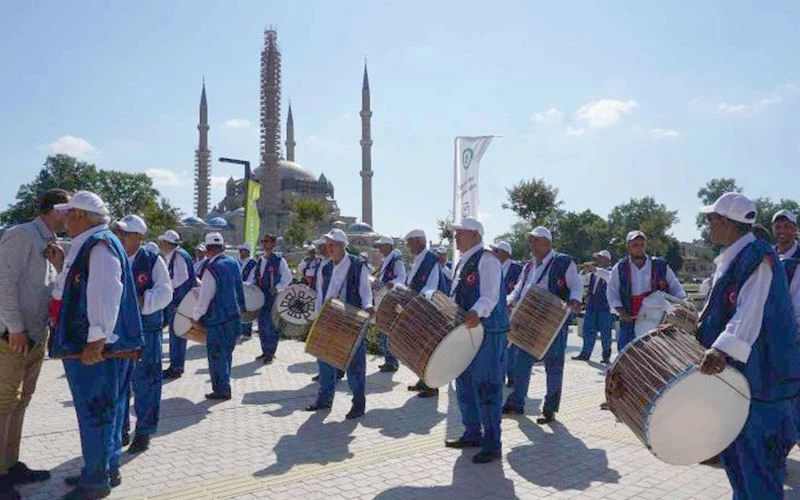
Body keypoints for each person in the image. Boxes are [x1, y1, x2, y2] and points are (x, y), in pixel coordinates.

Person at [696, 193, 800, 498]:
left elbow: (749, 312)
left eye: (711, 218)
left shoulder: (758, 256)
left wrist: (720, 349)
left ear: (728, 222)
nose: (708, 225)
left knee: (760, 472)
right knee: (739, 468)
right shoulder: (733, 257)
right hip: (742, 383)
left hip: (763, 385)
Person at [48, 191, 144, 499]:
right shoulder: (93, 243)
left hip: (95, 351)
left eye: (68, 214)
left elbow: (105, 295)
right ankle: (105, 468)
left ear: (80, 216)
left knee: (95, 414)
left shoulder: (99, 245)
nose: (64, 219)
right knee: (108, 411)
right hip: (97, 348)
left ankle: (95, 481)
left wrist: (96, 341)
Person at [0, 189, 69, 499]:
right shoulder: (22, 235)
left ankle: (10, 464)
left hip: (34, 336)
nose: (73, 215)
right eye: (68, 209)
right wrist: (14, 328)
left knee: (21, 401)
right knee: (3, 403)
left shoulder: (50, 242)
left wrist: (61, 263)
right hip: (13, 337)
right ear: (53, 209)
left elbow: (47, 288)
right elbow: (4, 283)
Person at [442, 217, 507, 464]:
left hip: (487, 333)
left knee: (487, 386)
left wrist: (476, 312)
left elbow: (490, 296)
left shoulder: (488, 259)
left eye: (460, 232)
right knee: (465, 384)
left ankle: (492, 444)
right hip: (466, 332)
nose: (456, 236)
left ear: (475, 235)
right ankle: (472, 433)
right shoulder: (463, 262)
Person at [502, 227, 582, 424]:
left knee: (554, 365)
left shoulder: (563, 262)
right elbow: (519, 289)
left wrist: (575, 300)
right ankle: (516, 402)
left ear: (547, 243)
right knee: (521, 362)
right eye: (530, 241)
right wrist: (508, 301)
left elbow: (577, 285)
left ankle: (550, 408)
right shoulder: (528, 266)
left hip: (553, 319)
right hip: (530, 318)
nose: (531, 244)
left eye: (535, 241)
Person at [112, 215, 173, 455]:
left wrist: (142, 301)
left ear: (138, 238)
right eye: (119, 233)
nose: (120, 237)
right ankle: (121, 429)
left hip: (146, 330)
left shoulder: (152, 260)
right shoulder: (112, 257)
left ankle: (144, 431)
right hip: (119, 332)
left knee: (146, 382)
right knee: (120, 384)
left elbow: (166, 292)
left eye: (125, 234)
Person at [305, 229, 374, 419]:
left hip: (351, 321)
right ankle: (324, 400)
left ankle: (358, 405)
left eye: (333, 244)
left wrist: (368, 306)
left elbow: (365, 291)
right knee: (324, 362)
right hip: (327, 320)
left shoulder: (357, 264)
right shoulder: (324, 267)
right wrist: (316, 318)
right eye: (327, 244)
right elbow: (320, 295)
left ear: (343, 245)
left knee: (355, 364)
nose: (329, 247)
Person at [606, 230, 686, 351]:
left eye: (642, 245)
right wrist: (621, 311)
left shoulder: (660, 265)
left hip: (657, 319)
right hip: (629, 319)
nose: (639, 248)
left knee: (656, 355)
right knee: (626, 354)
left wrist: (678, 306)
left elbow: (676, 287)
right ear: (628, 246)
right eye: (635, 245)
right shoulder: (620, 267)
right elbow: (612, 292)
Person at [188, 233, 245, 400]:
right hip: (234, 317)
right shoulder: (234, 263)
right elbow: (239, 289)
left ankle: (221, 389)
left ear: (207, 251)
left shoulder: (210, 269)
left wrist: (195, 317)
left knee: (216, 356)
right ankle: (225, 385)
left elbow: (205, 298)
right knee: (227, 354)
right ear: (224, 248)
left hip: (217, 320)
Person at [403, 229, 443, 397]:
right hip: (418, 308)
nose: (408, 246)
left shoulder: (430, 260)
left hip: (427, 311)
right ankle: (423, 379)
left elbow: (431, 287)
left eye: (410, 242)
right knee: (420, 349)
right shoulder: (418, 260)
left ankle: (432, 386)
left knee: (429, 349)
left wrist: (415, 297)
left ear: (420, 242)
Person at [160, 230, 197, 380]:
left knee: (177, 334)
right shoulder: (179, 254)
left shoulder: (178, 255)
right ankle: (176, 365)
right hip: (179, 300)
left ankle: (176, 367)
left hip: (179, 300)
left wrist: (167, 287)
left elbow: (182, 277)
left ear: (167, 243)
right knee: (177, 334)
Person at [490, 240, 524, 388]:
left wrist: (514, 304)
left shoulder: (517, 268)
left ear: (505, 253)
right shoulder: (493, 267)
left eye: (496, 251)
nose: (493, 253)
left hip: (512, 311)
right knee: (500, 345)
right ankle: (500, 376)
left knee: (512, 346)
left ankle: (512, 377)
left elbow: (521, 289)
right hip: (497, 312)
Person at [254, 234, 291, 364]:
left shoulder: (279, 260)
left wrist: (278, 287)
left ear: (273, 244)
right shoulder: (260, 260)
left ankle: (271, 352)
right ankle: (264, 350)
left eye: (267, 241)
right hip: (260, 296)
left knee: (271, 325)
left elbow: (287, 277)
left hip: (272, 296)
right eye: (263, 241)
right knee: (262, 324)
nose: (264, 244)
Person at [573, 250, 613, 364]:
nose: (597, 260)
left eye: (600, 258)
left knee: (606, 333)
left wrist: (594, 269)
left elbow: (606, 276)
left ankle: (606, 356)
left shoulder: (612, 272)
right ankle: (585, 354)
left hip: (605, 307)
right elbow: (581, 280)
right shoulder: (594, 273)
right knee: (588, 330)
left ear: (607, 260)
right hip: (591, 305)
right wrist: (583, 272)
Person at [374, 235, 406, 373]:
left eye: (382, 245)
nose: (379, 248)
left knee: (387, 330)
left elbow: (402, 277)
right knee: (383, 329)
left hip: (390, 298)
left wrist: (393, 283)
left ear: (388, 246)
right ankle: (389, 360)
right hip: (384, 298)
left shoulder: (396, 260)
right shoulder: (386, 260)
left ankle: (392, 362)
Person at [772, 209, 800, 329]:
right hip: (770, 324)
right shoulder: (767, 255)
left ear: (795, 229)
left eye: (787, 226)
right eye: (778, 227)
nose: (782, 230)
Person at [238, 243, 258, 339]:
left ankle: (247, 332)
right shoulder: (238, 262)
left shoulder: (252, 263)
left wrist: (244, 285)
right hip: (239, 290)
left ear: (247, 252)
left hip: (248, 290)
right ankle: (240, 331)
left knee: (247, 311)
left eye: (242, 251)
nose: (240, 253)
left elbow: (252, 278)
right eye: (240, 251)